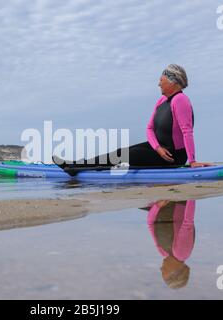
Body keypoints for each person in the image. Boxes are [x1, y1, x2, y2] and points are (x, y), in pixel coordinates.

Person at [53, 64, 212, 174]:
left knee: (125, 156)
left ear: (173, 81)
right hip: (158, 149)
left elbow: (187, 131)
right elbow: (149, 128)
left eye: (161, 81)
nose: (158, 84)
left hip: (173, 156)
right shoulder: (162, 101)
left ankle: (77, 167)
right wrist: (157, 147)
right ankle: (78, 165)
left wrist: (192, 161)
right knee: (122, 152)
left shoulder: (180, 100)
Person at [146, 199, 196, 289]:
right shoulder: (182, 253)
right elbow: (188, 222)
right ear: (175, 271)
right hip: (177, 200)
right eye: (163, 271)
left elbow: (150, 224)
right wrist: (191, 197)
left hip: (159, 205)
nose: (161, 269)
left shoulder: (163, 252)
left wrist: (157, 206)